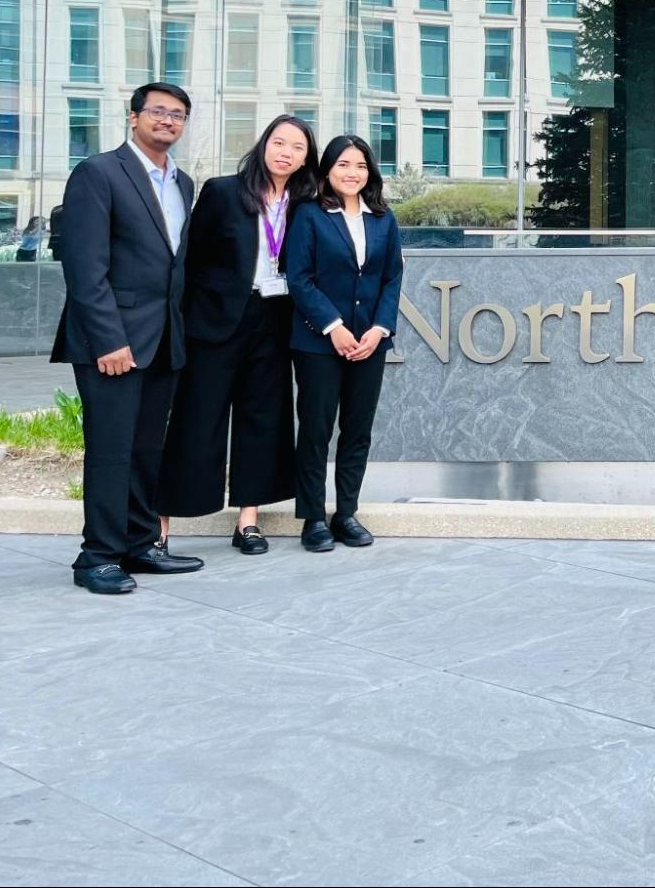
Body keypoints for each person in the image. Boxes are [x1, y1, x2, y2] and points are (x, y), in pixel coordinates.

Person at [49, 83, 204, 594]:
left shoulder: (182, 183)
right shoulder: (98, 173)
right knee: (112, 451)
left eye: (177, 115)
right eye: (158, 111)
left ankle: (139, 545)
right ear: (133, 116)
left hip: (161, 340)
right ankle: (97, 557)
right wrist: (108, 341)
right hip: (112, 343)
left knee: (144, 451)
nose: (167, 121)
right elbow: (84, 267)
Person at [157, 116, 316, 556]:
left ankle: (248, 520)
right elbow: (191, 259)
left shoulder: (306, 202)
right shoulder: (224, 191)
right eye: (278, 142)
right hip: (216, 320)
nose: (286, 152)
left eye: (297, 147)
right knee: (196, 419)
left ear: (307, 157)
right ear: (264, 145)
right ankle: (161, 523)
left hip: (274, 318)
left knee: (262, 419)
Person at [284, 134, 403, 553]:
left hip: (369, 343)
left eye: (360, 166)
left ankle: (346, 513)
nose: (352, 174)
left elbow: (391, 278)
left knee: (357, 429)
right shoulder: (309, 215)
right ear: (327, 171)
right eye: (343, 166)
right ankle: (313, 518)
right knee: (316, 429)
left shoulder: (383, 218)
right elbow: (299, 278)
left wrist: (379, 329)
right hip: (319, 343)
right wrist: (333, 326)